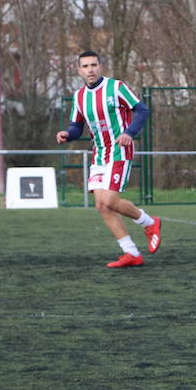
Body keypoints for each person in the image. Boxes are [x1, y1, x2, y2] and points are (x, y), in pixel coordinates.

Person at [56, 50, 162, 268]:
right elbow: (77, 126)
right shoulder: (79, 97)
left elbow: (142, 110)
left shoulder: (116, 87)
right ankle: (131, 253)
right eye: (85, 66)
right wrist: (68, 134)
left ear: (100, 67)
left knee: (110, 201)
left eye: (93, 65)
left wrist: (129, 133)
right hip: (99, 153)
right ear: (79, 71)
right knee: (102, 207)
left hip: (119, 150)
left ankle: (150, 223)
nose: (90, 69)